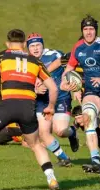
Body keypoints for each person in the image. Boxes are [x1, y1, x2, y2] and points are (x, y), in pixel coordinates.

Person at [0, 29, 59, 190]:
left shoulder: (1, 57)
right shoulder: (36, 61)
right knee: (36, 144)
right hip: (28, 108)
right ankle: (51, 179)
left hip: (7, 106)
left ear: (7, 44)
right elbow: (53, 88)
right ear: (24, 44)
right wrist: (51, 107)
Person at [26, 33, 79, 167]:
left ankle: (72, 132)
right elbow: (25, 85)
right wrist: (36, 90)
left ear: (43, 45)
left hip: (61, 98)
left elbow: (69, 61)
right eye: (32, 46)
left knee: (60, 131)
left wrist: (76, 86)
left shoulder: (54, 54)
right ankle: (64, 158)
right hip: (42, 102)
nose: (36, 48)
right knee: (43, 134)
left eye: (38, 45)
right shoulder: (26, 63)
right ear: (28, 48)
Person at [62, 15, 100, 173]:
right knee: (88, 117)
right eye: (85, 29)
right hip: (91, 92)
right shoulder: (78, 47)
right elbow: (68, 69)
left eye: (91, 29)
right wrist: (66, 82)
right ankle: (96, 162)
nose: (89, 32)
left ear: (96, 31)